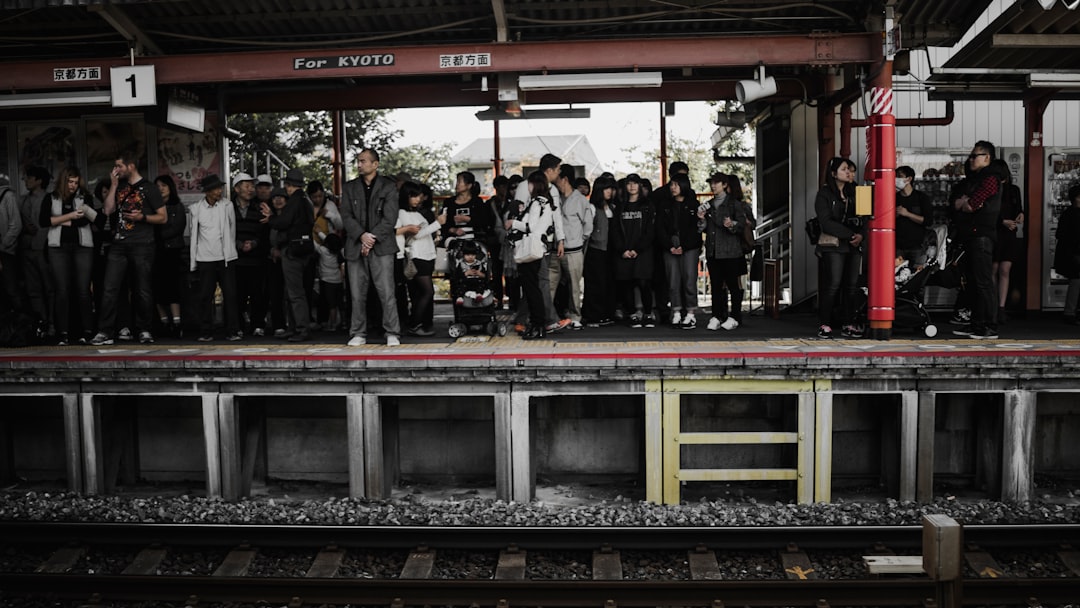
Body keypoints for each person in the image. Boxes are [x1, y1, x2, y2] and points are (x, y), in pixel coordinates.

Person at [91, 151, 167, 345]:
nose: (116, 169)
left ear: (130, 166)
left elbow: (163, 217)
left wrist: (142, 217)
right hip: (118, 244)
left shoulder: (149, 188)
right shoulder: (119, 186)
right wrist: (114, 185)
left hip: (143, 244)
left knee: (142, 289)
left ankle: (145, 329)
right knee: (109, 288)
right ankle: (105, 331)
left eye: (119, 166)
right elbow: (107, 210)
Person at [339, 148, 401, 347]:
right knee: (357, 293)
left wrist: (371, 238)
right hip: (355, 245)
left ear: (375, 164)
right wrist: (361, 235)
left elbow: (390, 218)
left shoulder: (389, 187)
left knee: (387, 292)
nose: (359, 164)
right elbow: (346, 216)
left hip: (381, 245)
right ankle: (358, 332)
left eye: (363, 161)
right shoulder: (349, 188)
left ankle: (392, 332)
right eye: (358, 161)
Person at [951, 141, 1004, 340]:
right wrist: (965, 203)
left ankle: (989, 326)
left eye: (975, 156)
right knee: (974, 283)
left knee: (983, 282)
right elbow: (957, 204)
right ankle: (977, 324)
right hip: (973, 235)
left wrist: (967, 202)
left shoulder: (990, 177)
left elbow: (971, 204)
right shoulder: (977, 178)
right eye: (971, 156)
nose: (971, 159)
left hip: (981, 235)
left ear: (987, 157)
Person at [512, 153, 568, 333]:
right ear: (550, 169)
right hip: (530, 242)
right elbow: (519, 213)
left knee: (534, 282)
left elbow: (556, 215)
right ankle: (548, 320)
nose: (559, 173)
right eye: (558, 169)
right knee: (539, 281)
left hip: (543, 242)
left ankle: (525, 320)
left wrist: (560, 239)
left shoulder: (550, 189)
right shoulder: (526, 186)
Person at [41, 167, 96, 345]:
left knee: (83, 290)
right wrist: (72, 215)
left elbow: (87, 220)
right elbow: (43, 221)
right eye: (70, 182)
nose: (73, 185)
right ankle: (62, 333)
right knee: (61, 291)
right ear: (63, 181)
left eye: (76, 182)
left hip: (82, 247)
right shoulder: (51, 197)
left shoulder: (85, 197)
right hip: (58, 247)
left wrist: (58, 220)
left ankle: (86, 332)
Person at [260, 168, 315, 342]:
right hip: (304, 249)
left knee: (294, 293)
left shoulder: (294, 201)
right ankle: (296, 327)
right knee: (296, 291)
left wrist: (271, 219)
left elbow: (283, 222)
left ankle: (300, 329)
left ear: (290, 186)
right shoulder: (306, 200)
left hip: (292, 250)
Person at [814, 157, 865, 339]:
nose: (849, 173)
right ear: (834, 173)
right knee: (833, 284)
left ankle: (849, 323)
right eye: (845, 169)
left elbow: (867, 217)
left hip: (854, 244)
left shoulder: (859, 191)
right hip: (833, 244)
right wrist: (851, 234)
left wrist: (861, 235)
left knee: (852, 286)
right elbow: (826, 222)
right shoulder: (824, 194)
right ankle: (825, 324)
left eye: (851, 170)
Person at [506, 171, 556, 340]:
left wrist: (513, 223)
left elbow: (531, 227)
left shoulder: (537, 203)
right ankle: (538, 324)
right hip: (537, 248)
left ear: (535, 184)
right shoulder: (546, 202)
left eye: (529, 183)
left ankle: (537, 324)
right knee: (533, 288)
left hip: (530, 249)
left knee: (531, 289)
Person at [189, 174, 240, 342]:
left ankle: (232, 330)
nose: (219, 191)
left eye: (220, 188)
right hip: (205, 258)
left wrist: (230, 250)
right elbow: (193, 236)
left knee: (230, 295)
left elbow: (232, 230)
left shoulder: (227, 205)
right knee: (205, 296)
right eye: (216, 188)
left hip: (226, 256)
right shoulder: (196, 209)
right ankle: (206, 331)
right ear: (208, 192)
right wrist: (193, 261)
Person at [396, 181, 444, 336]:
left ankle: (417, 323)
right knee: (427, 292)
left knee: (421, 293)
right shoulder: (402, 213)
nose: (418, 199)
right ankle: (415, 324)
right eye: (414, 196)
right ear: (406, 196)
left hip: (426, 255)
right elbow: (416, 234)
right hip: (417, 255)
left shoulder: (416, 213)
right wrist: (438, 223)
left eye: (419, 196)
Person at [702, 172, 748, 331]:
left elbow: (742, 225)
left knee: (732, 285)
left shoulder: (734, 204)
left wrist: (732, 224)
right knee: (715, 285)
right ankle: (716, 315)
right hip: (713, 251)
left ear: (725, 185)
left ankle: (734, 316)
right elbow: (703, 228)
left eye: (716, 183)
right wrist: (701, 219)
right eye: (712, 183)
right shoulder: (708, 204)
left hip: (730, 251)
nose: (713, 186)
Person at [656, 173, 701, 329]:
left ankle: (690, 313)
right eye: (671, 185)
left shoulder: (694, 205)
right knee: (673, 281)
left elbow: (696, 230)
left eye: (676, 184)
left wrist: (685, 246)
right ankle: (675, 311)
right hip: (670, 246)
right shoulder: (665, 205)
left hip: (690, 247)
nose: (672, 188)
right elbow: (660, 228)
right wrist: (670, 245)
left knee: (689, 280)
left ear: (684, 185)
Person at [611, 173, 656, 328]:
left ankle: (648, 313)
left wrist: (637, 249)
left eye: (635, 183)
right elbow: (615, 230)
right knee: (626, 284)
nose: (632, 186)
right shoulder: (620, 207)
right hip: (623, 251)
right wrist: (622, 249)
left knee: (644, 283)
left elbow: (650, 230)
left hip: (642, 252)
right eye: (629, 183)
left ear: (639, 186)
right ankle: (632, 314)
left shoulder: (647, 206)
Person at [552, 164, 594, 330]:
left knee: (574, 286)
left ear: (565, 179)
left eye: (557, 180)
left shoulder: (580, 200)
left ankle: (575, 316)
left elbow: (588, 226)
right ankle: (550, 316)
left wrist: (578, 239)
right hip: (554, 250)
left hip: (574, 250)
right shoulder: (554, 197)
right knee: (550, 285)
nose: (554, 184)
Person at [232, 172, 270, 336]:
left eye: (251, 186)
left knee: (257, 294)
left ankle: (257, 325)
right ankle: (238, 326)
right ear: (237, 189)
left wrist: (254, 243)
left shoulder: (259, 207)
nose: (251, 189)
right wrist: (239, 244)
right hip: (236, 259)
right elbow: (225, 231)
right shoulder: (229, 208)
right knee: (237, 295)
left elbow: (264, 232)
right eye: (246, 186)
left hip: (256, 259)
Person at [19, 166, 53, 331]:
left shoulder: (49, 198)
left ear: (39, 180)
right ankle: (41, 323)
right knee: (33, 289)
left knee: (50, 288)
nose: (26, 180)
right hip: (27, 248)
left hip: (44, 248)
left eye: (29, 177)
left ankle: (54, 323)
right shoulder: (22, 200)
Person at [153, 175, 187, 337]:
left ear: (170, 187)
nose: (160, 188)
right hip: (155, 252)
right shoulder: (151, 206)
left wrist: (158, 236)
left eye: (164, 185)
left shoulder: (177, 206)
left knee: (173, 287)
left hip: (173, 251)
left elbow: (178, 228)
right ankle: (163, 321)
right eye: (157, 186)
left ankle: (177, 322)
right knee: (157, 288)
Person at [991, 158, 1024, 325]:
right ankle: (994, 306)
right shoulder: (992, 190)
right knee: (995, 269)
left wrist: (1020, 215)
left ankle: (1001, 307)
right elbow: (988, 214)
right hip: (996, 232)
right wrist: (1002, 221)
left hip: (1009, 233)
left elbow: (1019, 209)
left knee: (1004, 269)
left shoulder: (1013, 190)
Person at [582, 175, 617, 327]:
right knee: (595, 283)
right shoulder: (592, 208)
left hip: (610, 250)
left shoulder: (613, 208)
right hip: (595, 250)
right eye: (606, 188)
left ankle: (605, 313)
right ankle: (593, 315)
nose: (610, 192)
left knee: (608, 283)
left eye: (611, 188)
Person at [1054, 184, 1080, 325]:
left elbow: (1060, 234)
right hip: (1075, 253)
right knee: (1076, 281)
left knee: (1076, 281)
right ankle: (1070, 312)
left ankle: (1070, 312)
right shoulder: (1074, 215)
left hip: (1070, 253)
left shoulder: (1067, 214)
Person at [895, 165, 930, 267]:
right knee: (898, 276)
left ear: (909, 179)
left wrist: (907, 214)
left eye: (899, 176)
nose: (896, 179)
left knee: (916, 276)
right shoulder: (894, 198)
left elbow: (928, 221)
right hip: (898, 246)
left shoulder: (921, 198)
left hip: (918, 246)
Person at [0, 178, 24, 315]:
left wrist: (2, 247)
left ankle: (20, 325)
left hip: (6, 251)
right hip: (5, 249)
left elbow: (16, 225)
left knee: (11, 289)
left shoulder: (8, 196)